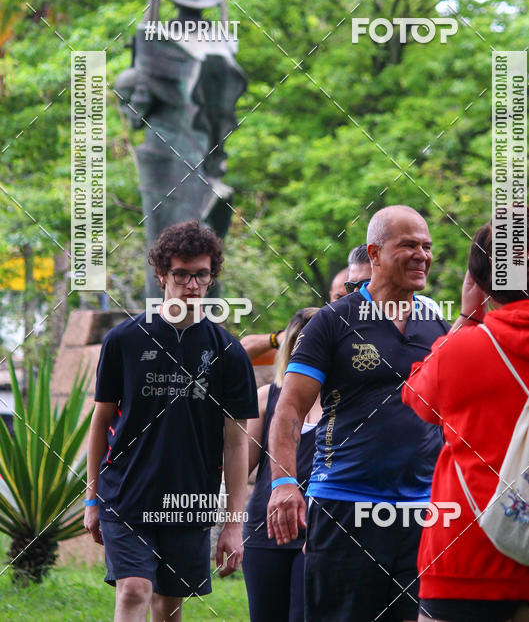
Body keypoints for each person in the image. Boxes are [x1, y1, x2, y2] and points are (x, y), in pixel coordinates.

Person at [403, 207, 529, 622]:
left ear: (481, 283)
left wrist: (466, 316)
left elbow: (416, 398)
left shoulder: (458, 353)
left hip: (464, 561)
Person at [267, 205, 449, 622]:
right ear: (376, 253)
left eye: (427, 246)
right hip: (344, 506)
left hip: (421, 513)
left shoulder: (435, 322)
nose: (422, 255)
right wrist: (282, 483)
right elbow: (289, 407)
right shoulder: (332, 322)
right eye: (409, 245)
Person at [84, 220, 258, 622]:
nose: (191, 285)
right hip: (125, 491)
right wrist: (92, 498)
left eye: (201, 274)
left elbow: (236, 442)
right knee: (134, 589)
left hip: (189, 499)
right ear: (162, 273)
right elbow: (100, 422)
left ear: (212, 277)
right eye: (181, 274)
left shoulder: (229, 352)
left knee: (167, 605)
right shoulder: (124, 340)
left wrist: (232, 524)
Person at [242, 308, 321, 622]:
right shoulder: (267, 397)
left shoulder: (346, 402)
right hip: (266, 529)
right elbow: (239, 465)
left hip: (319, 533)